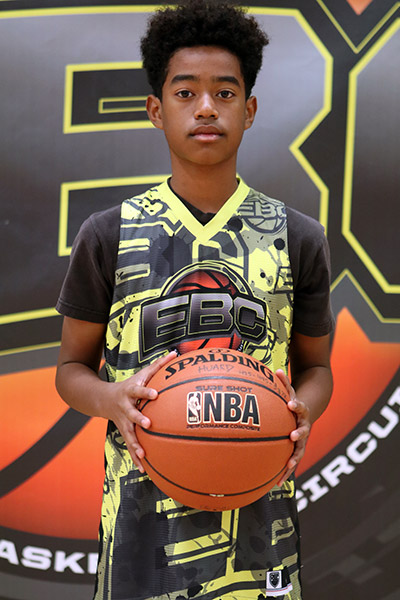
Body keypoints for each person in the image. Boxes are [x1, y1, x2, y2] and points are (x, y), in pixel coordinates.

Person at [56, 1, 334, 598]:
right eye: (186, 93)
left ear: (249, 109)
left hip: (260, 527)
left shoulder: (297, 237)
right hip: (140, 530)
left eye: (224, 93)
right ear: (156, 110)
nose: (206, 107)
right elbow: (70, 369)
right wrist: (111, 398)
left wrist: (300, 411)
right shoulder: (109, 234)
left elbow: (317, 369)